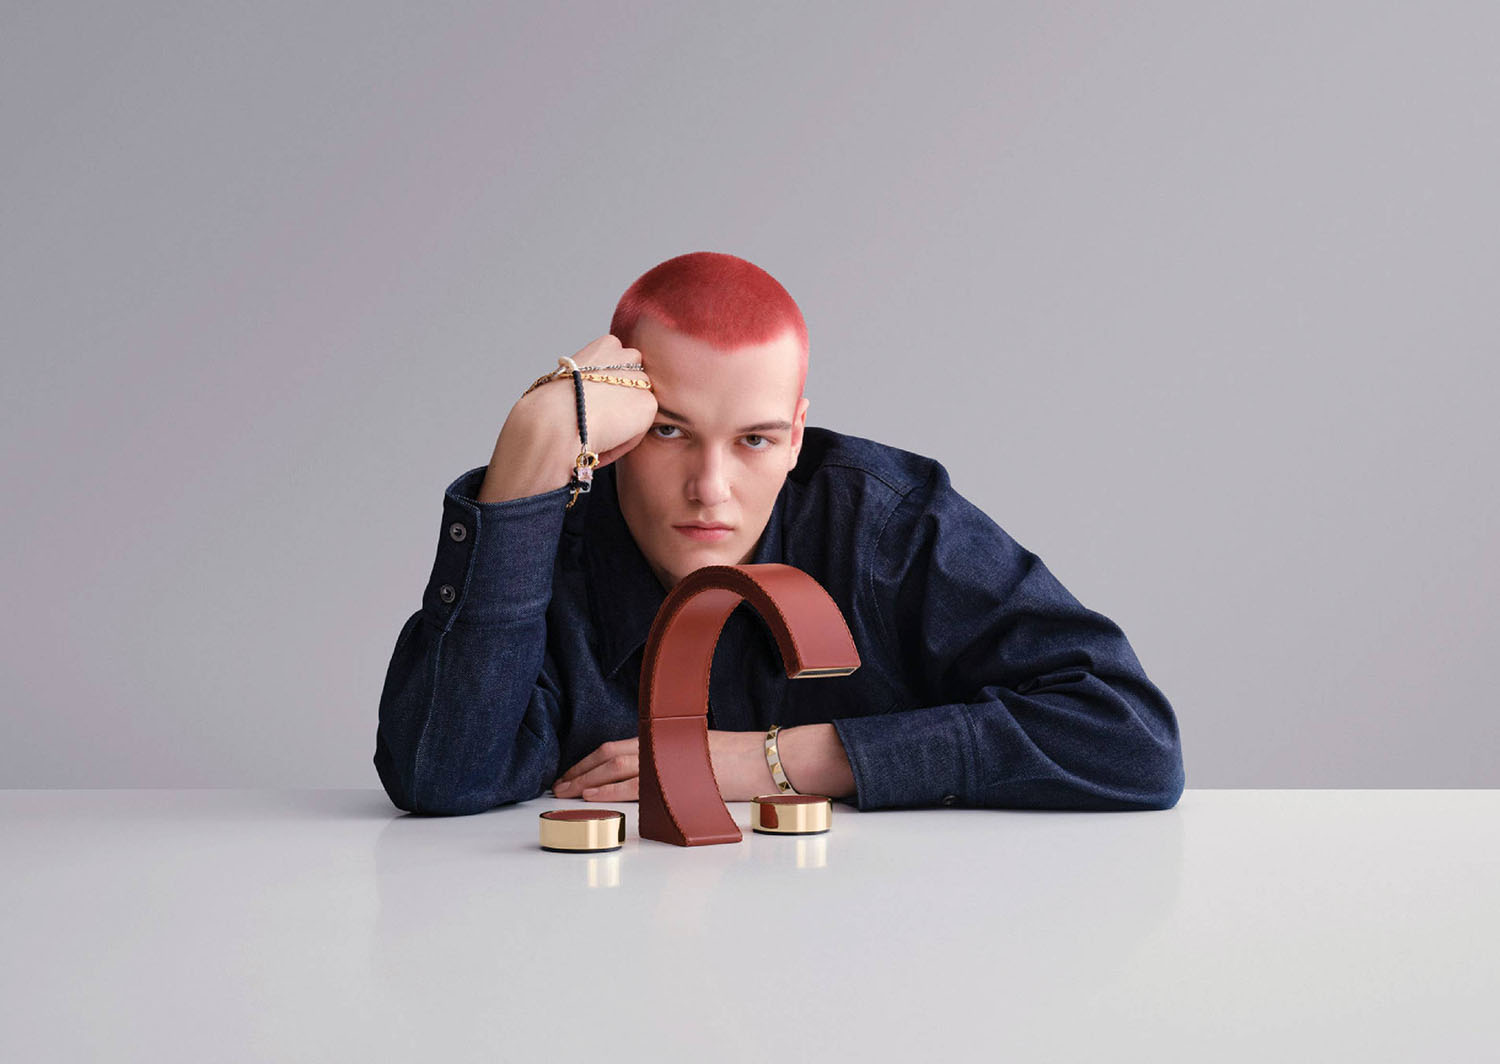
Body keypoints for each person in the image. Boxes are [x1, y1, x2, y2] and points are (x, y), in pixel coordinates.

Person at [374, 251, 1184, 816]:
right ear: (619, 428)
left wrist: (778, 761)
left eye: (754, 440)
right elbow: (440, 776)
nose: (710, 489)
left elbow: (1129, 739)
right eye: (668, 433)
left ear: (798, 435)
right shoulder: (554, 537)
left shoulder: (885, 524)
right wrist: (535, 441)